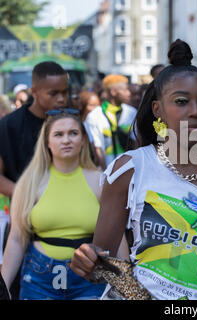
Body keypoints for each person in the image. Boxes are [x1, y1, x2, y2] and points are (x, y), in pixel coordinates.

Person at [70, 39, 197, 300]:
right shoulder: (131, 169)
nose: (196, 111)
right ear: (157, 109)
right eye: (181, 101)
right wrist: (89, 261)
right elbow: (102, 263)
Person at [0, 109, 119, 300]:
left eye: (73, 133)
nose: (66, 140)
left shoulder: (100, 181)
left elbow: (116, 237)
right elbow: (16, 238)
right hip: (39, 277)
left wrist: (126, 283)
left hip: (91, 276)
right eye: (58, 134)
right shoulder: (30, 182)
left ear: (83, 140)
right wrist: (3, 286)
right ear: (47, 142)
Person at [0, 61, 69, 199]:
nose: (61, 99)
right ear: (34, 92)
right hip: (25, 211)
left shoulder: (71, 123)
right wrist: (29, 198)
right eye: (53, 93)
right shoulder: (9, 125)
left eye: (65, 92)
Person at [84, 74, 137, 170]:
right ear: (113, 92)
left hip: (130, 171)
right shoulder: (94, 116)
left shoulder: (132, 112)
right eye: (125, 90)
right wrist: (106, 175)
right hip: (106, 172)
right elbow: (97, 148)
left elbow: (136, 143)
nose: (129, 93)